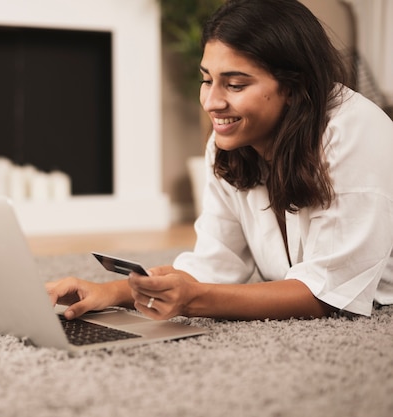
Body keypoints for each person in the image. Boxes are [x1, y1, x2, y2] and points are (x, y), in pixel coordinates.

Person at [46, 0, 393, 321]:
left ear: (293, 86)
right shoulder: (229, 144)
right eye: (206, 80)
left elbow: (329, 295)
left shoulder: (354, 131)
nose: (212, 102)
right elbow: (215, 265)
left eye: (235, 85)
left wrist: (194, 300)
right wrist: (111, 291)